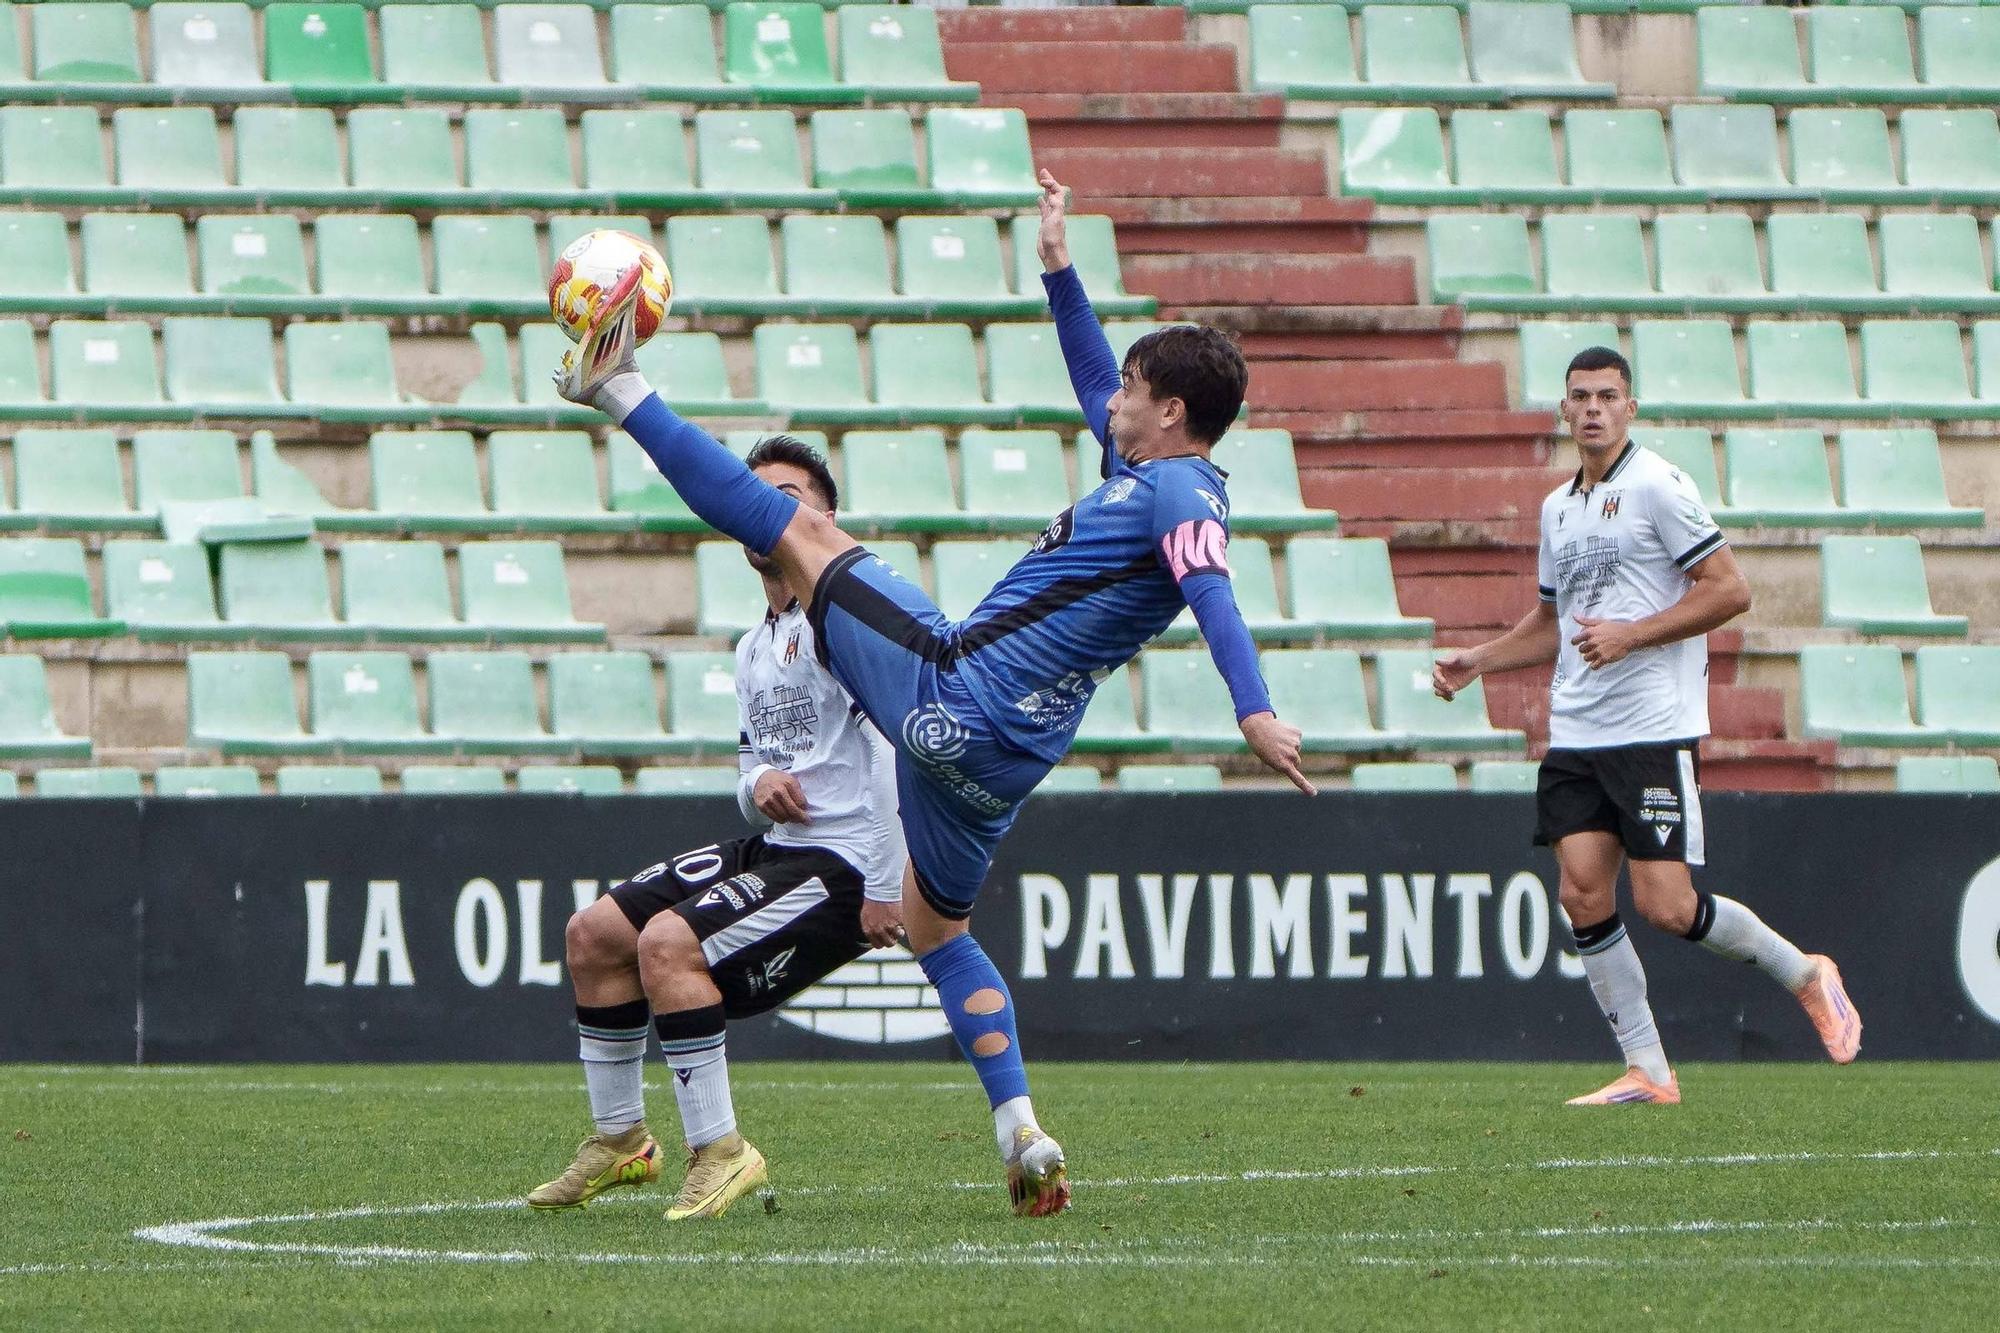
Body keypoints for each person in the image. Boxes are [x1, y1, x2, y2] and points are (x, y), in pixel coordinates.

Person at [551, 169, 1314, 1215]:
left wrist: (1251, 705)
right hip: (1003, 762)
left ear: (1170, 411)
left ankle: (617, 388)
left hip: (957, 686)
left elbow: (1209, 585)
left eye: (1135, 389)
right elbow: (1095, 378)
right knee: (939, 930)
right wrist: (1057, 269)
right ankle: (1020, 1128)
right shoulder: (1151, 470)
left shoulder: (1178, 493)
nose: (1114, 398)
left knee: (795, 530)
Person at [1432, 346, 1861, 1105]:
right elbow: (1553, 622)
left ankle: (1804, 971)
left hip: (1651, 730)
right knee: (1581, 893)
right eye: (1579, 396)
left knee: (1665, 905)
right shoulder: (1556, 507)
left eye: (1607, 395)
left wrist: (1633, 634)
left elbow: (1731, 590)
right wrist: (1482, 661)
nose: (1592, 408)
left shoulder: (1660, 485)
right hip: (1578, 733)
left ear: (1630, 407)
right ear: (1562, 410)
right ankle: (1649, 1069)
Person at [528, 436, 907, 1219]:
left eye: (791, 492)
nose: (773, 506)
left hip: (840, 862)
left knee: (668, 945)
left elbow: (891, 750)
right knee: (593, 933)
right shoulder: (754, 646)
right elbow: (750, 767)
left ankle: (723, 1151)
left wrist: (881, 884)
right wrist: (758, 782)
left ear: (828, 516)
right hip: (779, 848)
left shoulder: (846, 617)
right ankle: (620, 1139)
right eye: (758, 492)